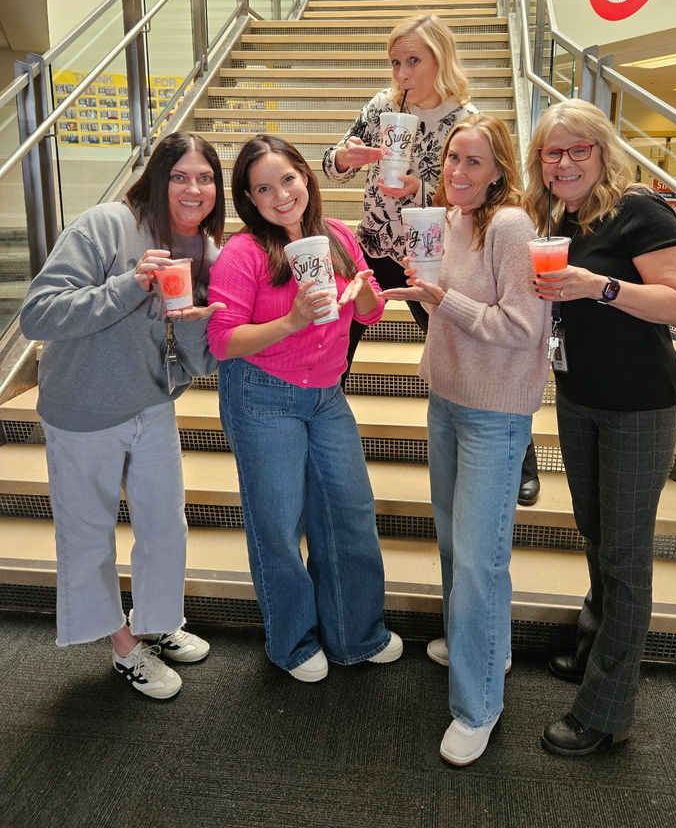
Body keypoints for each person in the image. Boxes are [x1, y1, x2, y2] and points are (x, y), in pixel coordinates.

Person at [20, 131, 227, 700]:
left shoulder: (206, 254)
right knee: (89, 536)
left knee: (165, 524)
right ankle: (123, 648)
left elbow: (202, 360)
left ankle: (155, 622)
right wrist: (127, 288)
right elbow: (37, 314)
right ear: (157, 178)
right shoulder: (106, 225)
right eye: (180, 176)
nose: (193, 188)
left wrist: (189, 322)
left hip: (151, 404)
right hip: (82, 409)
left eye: (205, 177)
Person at [524, 99, 676, 757]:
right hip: (580, 396)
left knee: (624, 557)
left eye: (578, 150)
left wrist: (599, 286)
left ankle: (606, 709)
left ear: (601, 151)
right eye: (552, 152)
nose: (565, 162)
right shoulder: (559, 218)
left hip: (639, 403)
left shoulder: (638, 209)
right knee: (596, 534)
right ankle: (595, 645)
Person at [382, 113, 550, 765]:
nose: (458, 172)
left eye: (474, 162)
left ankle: (478, 704)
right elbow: (442, 312)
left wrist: (443, 298)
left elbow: (521, 327)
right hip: (446, 400)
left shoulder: (512, 226)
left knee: (481, 557)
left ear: (501, 170)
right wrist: (424, 291)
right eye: (453, 158)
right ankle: (483, 646)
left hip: (495, 413)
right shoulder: (448, 219)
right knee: (457, 544)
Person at [322, 12, 540, 506]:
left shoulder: (463, 120)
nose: (402, 74)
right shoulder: (382, 106)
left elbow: (474, 197)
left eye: (413, 61)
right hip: (375, 242)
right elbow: (330, 164)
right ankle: (315, 419)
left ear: (440, 58)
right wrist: (344, 158)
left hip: (429, 251)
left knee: (461, 339)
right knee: (339, 333)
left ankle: (520, 456)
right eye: (396, 62)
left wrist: (423, 188)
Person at [207, 134, 403, 682]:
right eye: (262, 188)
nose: (279, 194)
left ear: (306, 177)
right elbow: (223, 341)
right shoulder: (243, 254)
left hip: (326, 396)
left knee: (349, 512)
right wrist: (291, 320)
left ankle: (355, 634)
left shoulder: (338, 236)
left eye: (287, 179)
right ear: (249, 199)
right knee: (277, 522)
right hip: (262, 395)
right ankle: (291, 643)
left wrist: (365, 291)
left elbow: (367, 315)